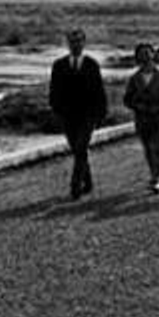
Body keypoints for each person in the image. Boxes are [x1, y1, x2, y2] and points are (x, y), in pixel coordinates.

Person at [47, 27, 108, 200]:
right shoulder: (58, 65)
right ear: (67, 43)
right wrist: (56, 110)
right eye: (72, 41)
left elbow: (99, 91)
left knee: (81, 147)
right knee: (77, 150)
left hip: (88, 115)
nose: (76, 45)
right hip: (67, 116)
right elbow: (54, 91)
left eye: (79, 41)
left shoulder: (91, 65)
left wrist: (101, 114)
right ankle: (87, 181)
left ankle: (75, 187)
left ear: (84, 43)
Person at [122, 42, 159, 193]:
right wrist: (138, 107)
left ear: (153, 55)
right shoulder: (134, 79)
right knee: (148, 149)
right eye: (142, 54)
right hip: (142, 119)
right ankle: (153, 174)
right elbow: (127, 99)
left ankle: (156, 178)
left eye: (148, 52)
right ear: (137, 57)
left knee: (155, 147)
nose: (145, 56)